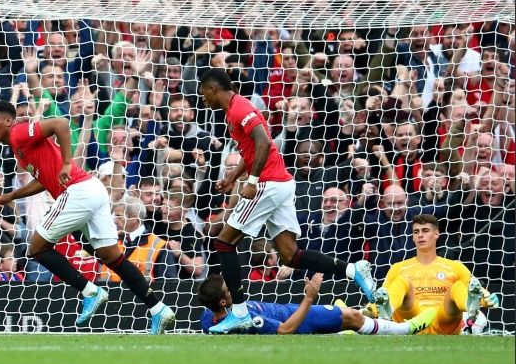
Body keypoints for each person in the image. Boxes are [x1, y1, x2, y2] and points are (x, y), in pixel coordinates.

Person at [196, 68, 375, 333]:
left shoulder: (239, 108)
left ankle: (241, 312)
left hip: (268, 184)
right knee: (290, 255)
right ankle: (352, 269)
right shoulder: (232, 111)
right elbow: (251, 149)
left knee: (224, 243)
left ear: (213, 89)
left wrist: (252, 181)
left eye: (203, 95)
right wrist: (234, 176)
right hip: (279, 183)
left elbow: (264, 142)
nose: (202, 101)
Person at [0, 100, 176, 334]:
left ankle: (90, 292)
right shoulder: (19, 149)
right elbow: (44, 180)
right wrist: (12, 195)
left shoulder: (18, 133)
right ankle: (158, 309)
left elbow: (61, 123)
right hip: (92, 190)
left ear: (8, 121)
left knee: (35, 248)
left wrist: (66, 162)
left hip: (77, 192)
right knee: (112, 257)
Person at [372, 214, 501, 335]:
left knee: (456, 287)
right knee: (402, 281)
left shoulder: (455, 266)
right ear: (412, 237)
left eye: (425, 231)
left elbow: (477, 290)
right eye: (416, 232)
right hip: (410, 320)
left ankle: (470, 307)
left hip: (444, 321)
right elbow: (382, 295)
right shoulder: (398, 268)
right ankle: (388, 311)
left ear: (436, 234)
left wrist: (487, 300)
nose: (420, 235)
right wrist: (369, 310)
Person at [199, 273, 436, 335]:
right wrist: (310, 296)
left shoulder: (208, 319)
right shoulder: (249, 321)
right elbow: (286, 330)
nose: (235, 288)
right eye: (229, 289)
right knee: (352, 316)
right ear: (222, 301)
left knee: (348, 317)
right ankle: (404, 328)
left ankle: (353, 325)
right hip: (300, 319)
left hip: (287, 309)